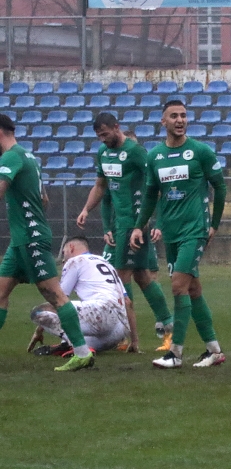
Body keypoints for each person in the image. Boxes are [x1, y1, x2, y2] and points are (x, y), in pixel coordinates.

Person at [130, 100, 227, 369]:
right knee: (193, 289)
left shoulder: (200, 152)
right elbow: (150, 194)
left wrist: (214, 224)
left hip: (195, 230)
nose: (180, 120)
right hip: (170, 233)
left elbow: (220, 187)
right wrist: (140, 225)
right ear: (163, 121)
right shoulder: (155, 156)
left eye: (183, 115)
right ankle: (214, 351)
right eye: (174, 116)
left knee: (178, 286)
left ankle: (175, 353)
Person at [0, 114, 93, 371]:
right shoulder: (28, 156)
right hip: (21, 239)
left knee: (55, 295)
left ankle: (83, 352)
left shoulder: (11, 157)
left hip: (30, 238)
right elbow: (45, 199)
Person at [76, 114, 174, 354]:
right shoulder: (103, 153)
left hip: (134, 225)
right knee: (142, 277)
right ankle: (169, 326)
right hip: (120, 226)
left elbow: (157, 185)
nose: (103, 139)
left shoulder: (136, 152)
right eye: (99, 136)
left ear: (116, 128)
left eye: (105, 134)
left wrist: (155, 220)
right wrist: (87, 209)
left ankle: (126, 337)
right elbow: (100, 186)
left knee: (118, 280)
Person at [27, 237, 135, 355]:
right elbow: (128, 302)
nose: (63, 259)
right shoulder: (106, 263)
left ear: (71, 248)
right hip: (117, 333)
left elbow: (57, 301)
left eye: (64, 252)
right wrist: (135, 342)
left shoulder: (75, 261)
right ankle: (69, 346)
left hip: (101, 313)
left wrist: (39, 331)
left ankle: (77, 348)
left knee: (38, 312)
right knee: (78, 330)